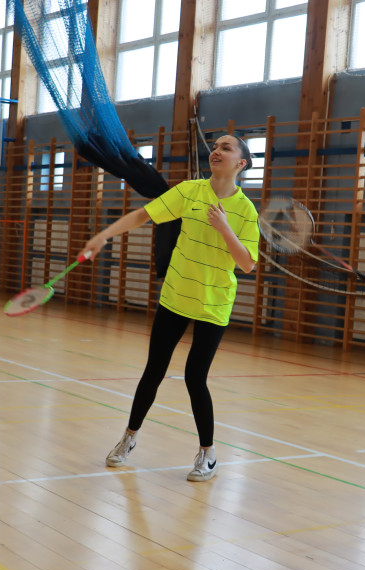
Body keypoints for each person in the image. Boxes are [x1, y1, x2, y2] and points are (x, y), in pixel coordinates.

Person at [80, 135, 259, 482]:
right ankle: (128, 438)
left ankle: (208, 454)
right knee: (154, 371)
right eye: (216, 146)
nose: (216, 151)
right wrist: (105, 234)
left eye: (227, 148)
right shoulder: (189, 191)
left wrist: (224, 228)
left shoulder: (246, 211)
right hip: (176, 295)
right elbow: (143, 215)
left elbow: (247, 264)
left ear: (242, 163)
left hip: (213, 302)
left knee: (195, 377)